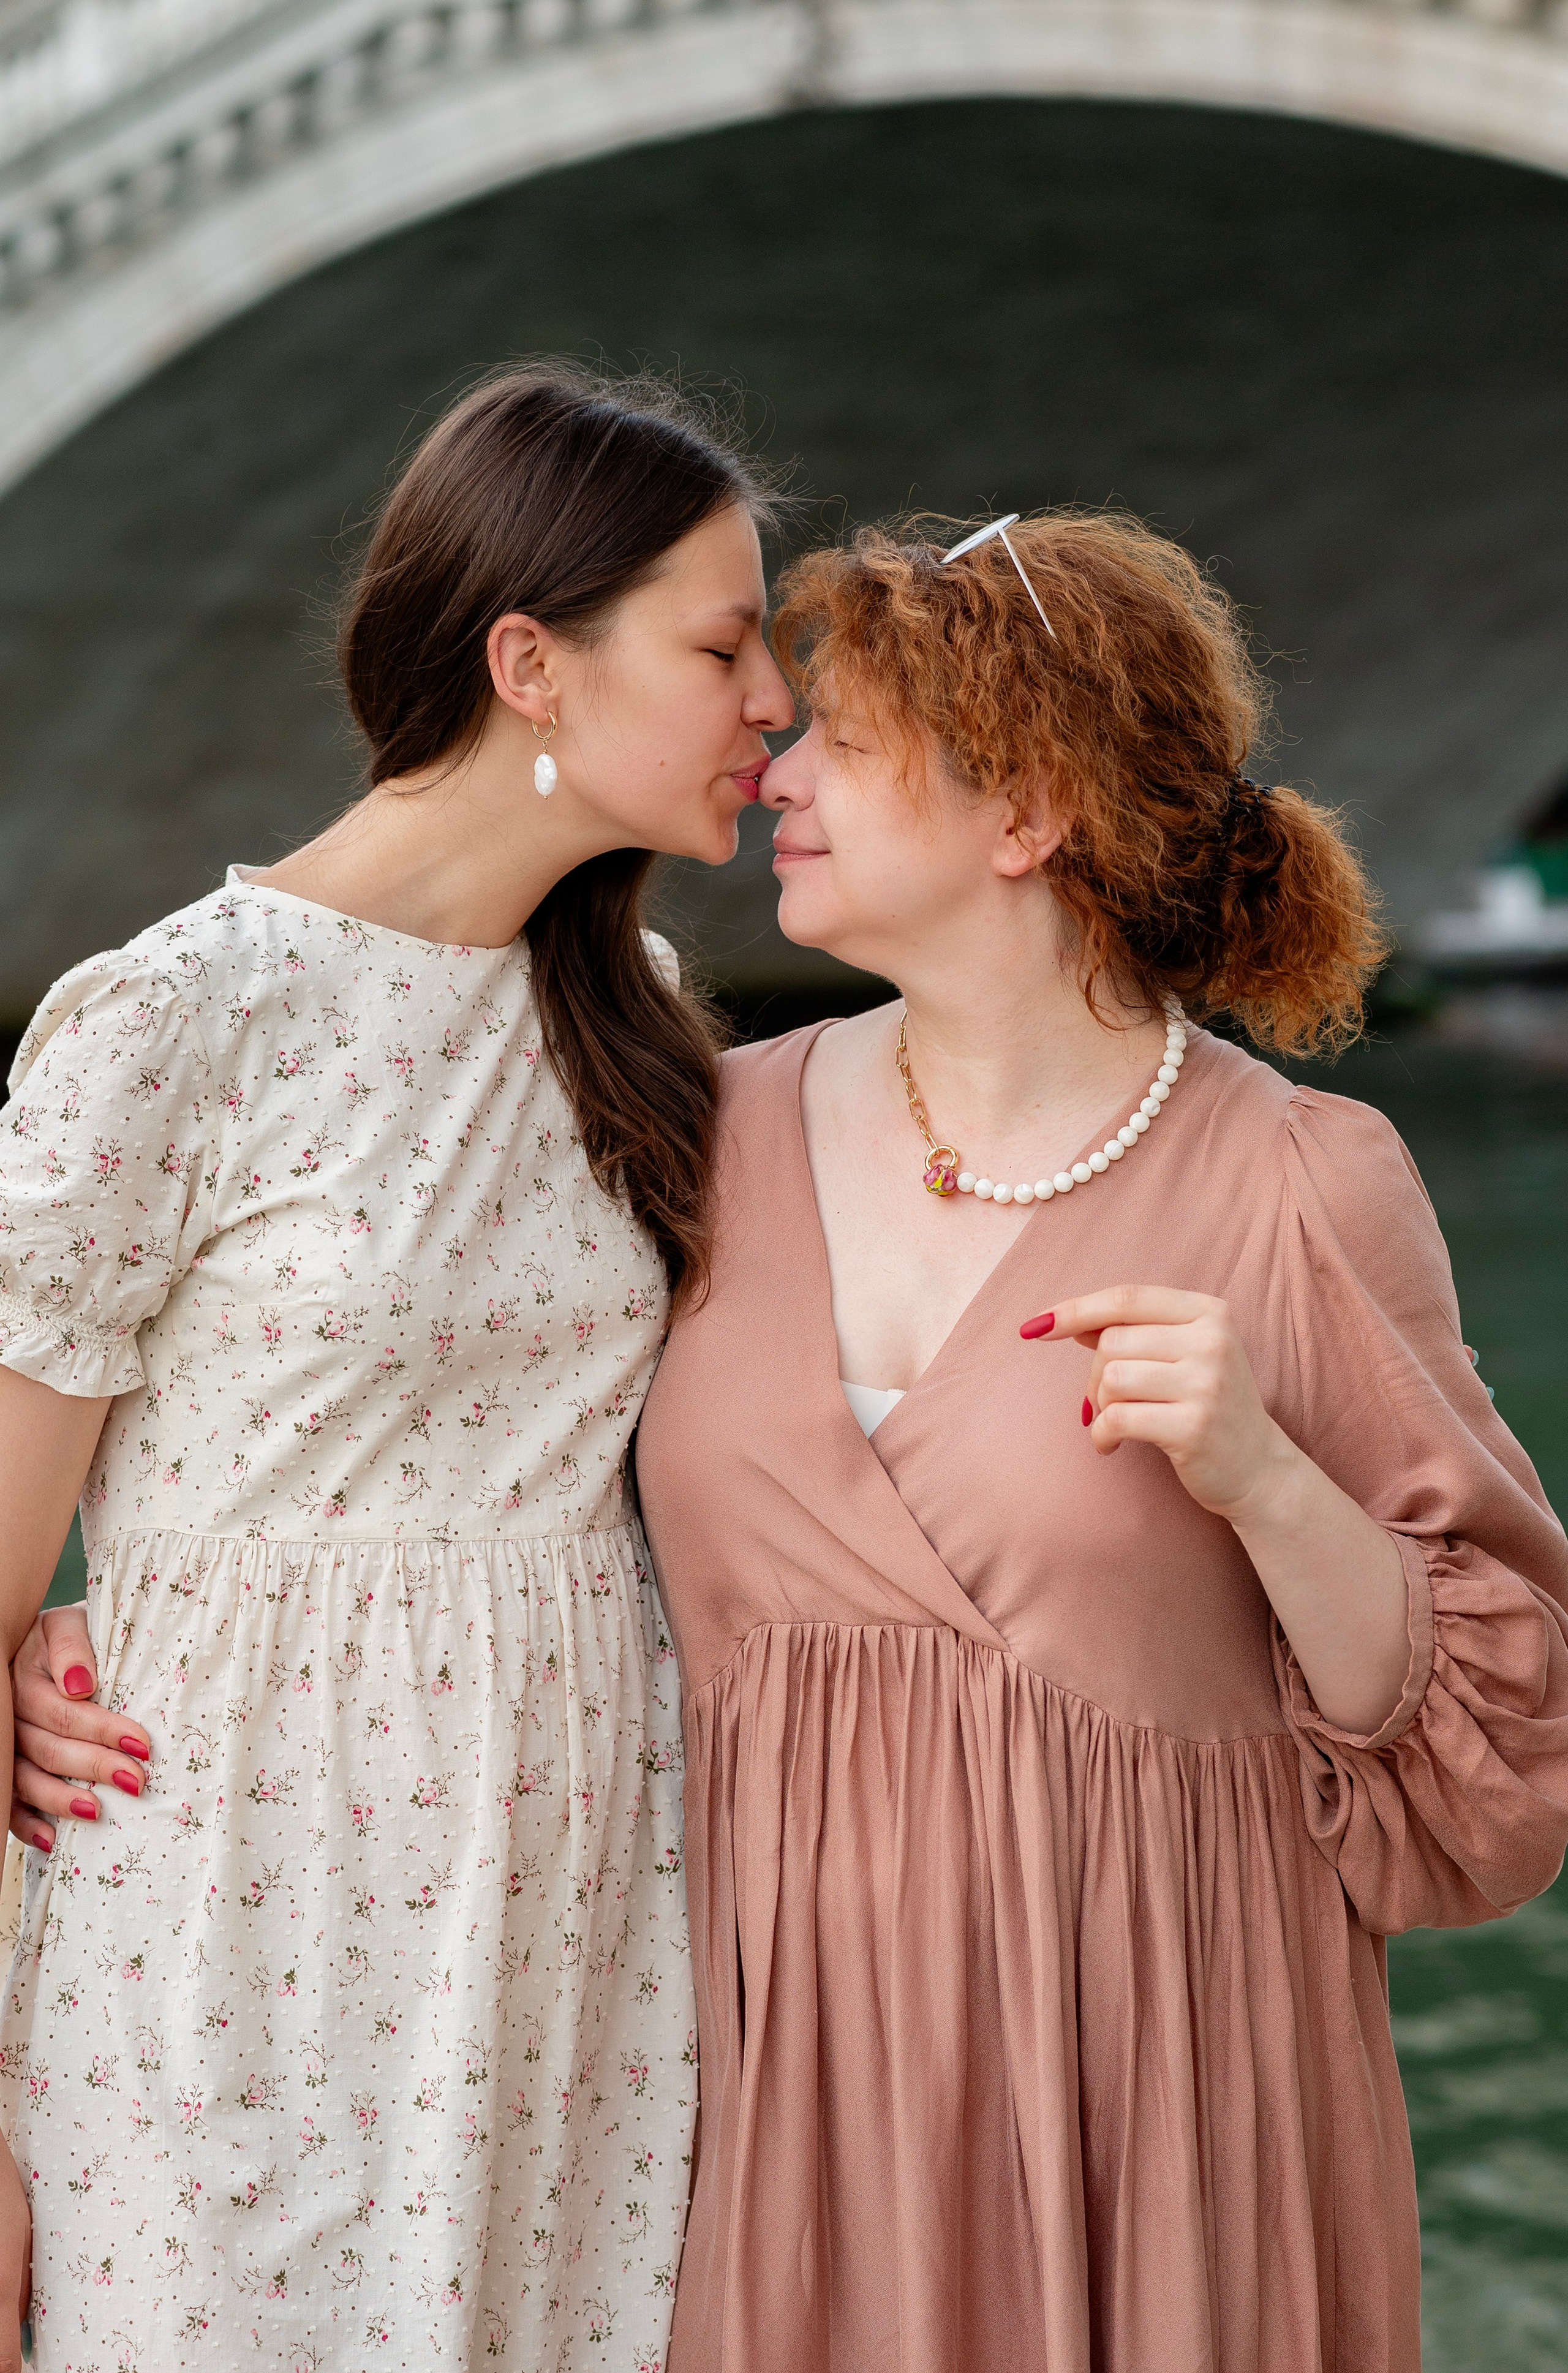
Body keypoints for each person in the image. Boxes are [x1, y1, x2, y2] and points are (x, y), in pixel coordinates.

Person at [631, 513, 1568, 2371]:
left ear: (1026, 811)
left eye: (850, 740)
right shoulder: (689, 1140)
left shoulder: (1305, 1179)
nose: (781, 769)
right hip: (768, 2092)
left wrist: (1268, 1478)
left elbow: (1505, 1757)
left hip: (1173, 2103)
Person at [0, 366, 793, 2372]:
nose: (773, 698)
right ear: (532, 660)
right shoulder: (172, 1020)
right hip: (229, 1922)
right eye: (723, 643)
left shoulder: (641, 1024)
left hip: (574, 1929)